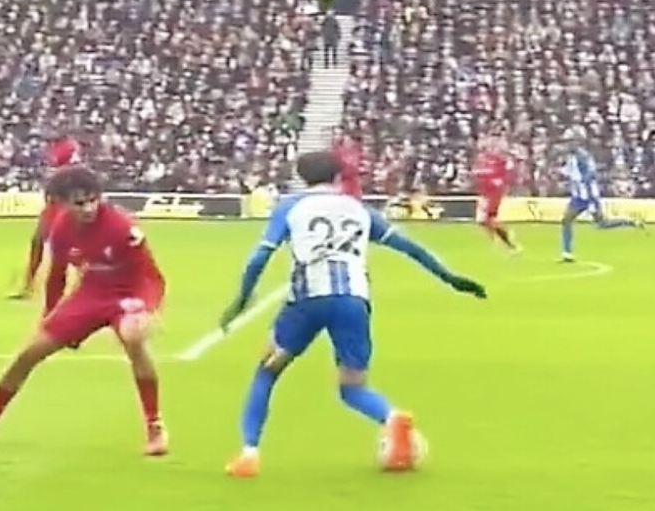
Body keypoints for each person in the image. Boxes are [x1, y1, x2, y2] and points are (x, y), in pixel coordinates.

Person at [219, 151, 486, 477]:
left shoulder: (290, 207)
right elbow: (411, 248)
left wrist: (241, 299)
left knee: (266, 372)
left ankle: (249, 453)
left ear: (301, 178)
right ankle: (391, 418)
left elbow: (259, 257)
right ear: (337, 177)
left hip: (306, 302)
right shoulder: (360, 209)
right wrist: (451, 278)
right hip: (353, 301)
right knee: (353, 388)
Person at [0, 166, 169, 456]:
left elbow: (152, 275)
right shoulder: (62, 228)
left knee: (133, 338)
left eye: (93, 200)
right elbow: (57, 275)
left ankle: (155, 427)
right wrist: (50, 316)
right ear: (62, 203)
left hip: (129, 292)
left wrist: (146, 307)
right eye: (79, 203)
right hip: (92, 292)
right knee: (28, 354)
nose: (88, 208)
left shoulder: (121, 227)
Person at [9, 133, 83, 300]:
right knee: (38, 241)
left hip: (65, 204)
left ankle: (83, 285)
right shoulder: (55, 147)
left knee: (69, 248)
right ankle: (29, 285)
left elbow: (71, 173)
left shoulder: (69, 147)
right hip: (53, 205)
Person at [560, 128, 642, 262]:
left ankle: (629, 221)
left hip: (588, 196)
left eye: (569, 141)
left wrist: (591, 202)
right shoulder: (572, 157)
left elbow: (589, 177)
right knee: (566, 220)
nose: (567, 144)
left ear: (577, 141)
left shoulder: (583, 157)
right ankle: (567, 252)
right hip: (578, 196)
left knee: (602, 223)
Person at [472, 135, 519, 252]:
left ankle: (506, 240)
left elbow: (507, 173)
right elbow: (477, 172)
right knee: (484, 221)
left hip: (493, 193)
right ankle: (503, 239)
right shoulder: (485, 160)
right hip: (485, 193)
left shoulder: (501, 162)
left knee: (487, 219)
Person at [332, 134, 362, 199]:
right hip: (343, 184)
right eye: (348, 141)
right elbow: (337, 171)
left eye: (351, 141)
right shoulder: (338, 153)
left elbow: (357, 171)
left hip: (353, 185)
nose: (351, 143)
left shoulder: (356, 153)